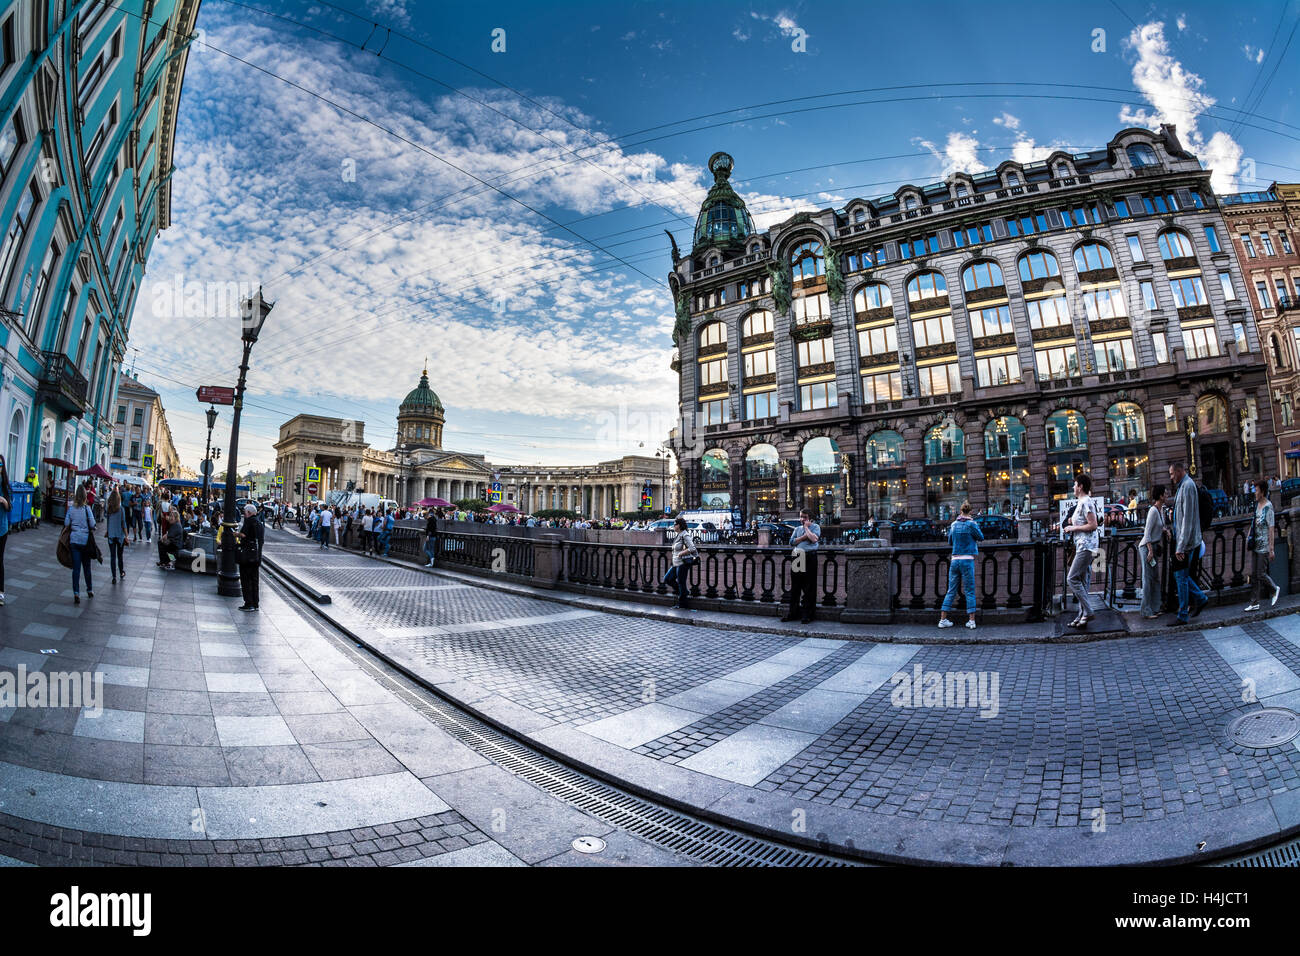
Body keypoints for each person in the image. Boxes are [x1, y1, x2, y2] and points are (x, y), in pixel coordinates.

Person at [1169, 461, 1208, 624]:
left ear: (1179, 471)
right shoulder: (1183, 487)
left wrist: (1181, 546)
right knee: (1181, 575)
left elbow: (1188, 520)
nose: (1170, 477)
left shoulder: (1188, 486)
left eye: (1171, 473)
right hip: (1185, 541)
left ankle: (1183, 613)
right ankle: (1200, 598)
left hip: (1187, 542)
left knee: (1181, 576)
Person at [1064, 474, 1101, 629]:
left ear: (1080, 487)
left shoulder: (1086, 502)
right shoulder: (1082, 502)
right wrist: (1073, 521)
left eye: (1075, 484)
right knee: (1082, 582)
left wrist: (1073, 527)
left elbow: (1093, 525)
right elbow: (1083, 520)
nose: (1073, 487)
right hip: (1083, 545)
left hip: (1086, 546)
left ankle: (1089, 611)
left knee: (1072, 578)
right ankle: (1082, 615)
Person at [938, 501, 983, 629]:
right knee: (969, 590)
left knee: (951, 590)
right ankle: (971, 621)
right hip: (967, 560)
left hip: (955, 560)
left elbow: (950, 541)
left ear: (960, 511)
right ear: (970, 512)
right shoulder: (972, 524)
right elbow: (981, 537)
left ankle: (943, 619)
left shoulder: (953, 524)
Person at [1245, 481, 1280, 612]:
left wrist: (1271, 549)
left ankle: (1274, 588)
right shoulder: (1257, 505)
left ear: (1263, 492)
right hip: (1255, 544)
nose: (1254, 492)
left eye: (1256, 490)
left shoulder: (1268, 507)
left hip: (1264, 545)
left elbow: (1271, 528)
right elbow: (1253, 522)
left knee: (1260, 573)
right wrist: (1249, 536)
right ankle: (1254, 602)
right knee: (1254, 574)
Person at [783, 508, 821, 623]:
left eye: (804, 517)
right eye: (801, 517)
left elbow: (814, 539)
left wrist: (806, 528)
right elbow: (791, 542)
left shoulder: (815, 527)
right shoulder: (797, 529)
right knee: (795, 586)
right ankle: (793, 613)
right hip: (797, 555)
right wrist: (804, 537)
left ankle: (807, 614)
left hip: (810, 556)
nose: (802, 519)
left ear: (810, 518)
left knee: (809, 587)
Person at [1138, 484, 1167, 619]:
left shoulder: (1161, 510)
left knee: (1155, 578)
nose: (1167, 495)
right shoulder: (1153, 511)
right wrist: (1150, 551)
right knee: (1148, 579)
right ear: (1160, 496)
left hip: (1153, 547)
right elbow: (1147, 532)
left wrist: (1165, 530)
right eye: (1165, 493)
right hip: (1147, 548)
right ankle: (1146, 610)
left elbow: (1159, 526)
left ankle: (1155, 607)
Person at [64, 484, 96, 603]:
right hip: (85, 541)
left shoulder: (71, 509)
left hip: (74, 541)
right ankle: (89, 589)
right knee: (87, 568)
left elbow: (66, 523)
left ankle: (76, 592)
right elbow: (92, 524)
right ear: (85, 496)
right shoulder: (87, 509)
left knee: (76, 569)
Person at [664, 517, 698, 609]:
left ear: (679, 525)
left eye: (674, 524)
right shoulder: (678, 535)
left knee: (681, 582)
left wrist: (680, 554)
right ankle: (684, 592)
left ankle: (682, 603)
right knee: (667, 579)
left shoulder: (685, 535)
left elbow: (692, 548)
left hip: (682, 563)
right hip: (676, 563)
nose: (673, 526)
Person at [235, 503, 264, 611]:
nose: (244, 514)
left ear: (249, 513)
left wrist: (235, 534)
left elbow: (244, 535)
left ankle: (249, 603)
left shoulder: (249, 521)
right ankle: (255, 603)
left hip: (247, 556)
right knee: (254, 580)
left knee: (246, 580)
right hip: (256, 556)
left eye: (245, 513)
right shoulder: (260, 523)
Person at [105, 488, 126, 584]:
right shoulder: (121, 509)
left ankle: (114, 576)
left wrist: (108, 531)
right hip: (120, 535)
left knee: (112, 557)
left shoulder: (109, 509)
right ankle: (121, 572)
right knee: (120, 556)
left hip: (111, 535)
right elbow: (123, 523)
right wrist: (126, 535)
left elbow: (108, 522)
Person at [0, 458, 9, 606]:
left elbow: (9, 507)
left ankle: (0, 592)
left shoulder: (5, 485)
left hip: (1, 529)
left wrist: (3, 500)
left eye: (0, 465)